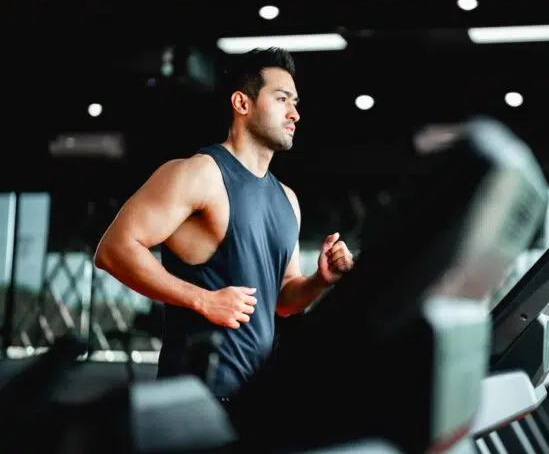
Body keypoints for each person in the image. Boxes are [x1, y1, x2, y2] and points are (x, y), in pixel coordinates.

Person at [94, 47, 355, 399]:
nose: (294, 113)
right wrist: (203, 300)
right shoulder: (199, 173)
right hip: (196, 397)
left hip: (253, 400)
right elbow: (113, 251)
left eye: (295, 103)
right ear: (242, 104)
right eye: (282, 99)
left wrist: (320, 280)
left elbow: (282, 301)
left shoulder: (287, 199)